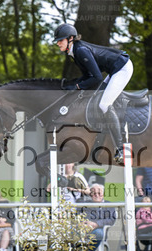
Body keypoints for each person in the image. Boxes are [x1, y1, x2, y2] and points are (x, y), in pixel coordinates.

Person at [53, 23, 133, 164]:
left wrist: (77, 86)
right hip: (113, 70)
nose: (58, 43)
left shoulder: (80, 51)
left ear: (70, 39)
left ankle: (121, 148)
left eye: (61, 40)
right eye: (57, 41)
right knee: (96, 99)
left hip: (122, 68)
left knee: (104, 104)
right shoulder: (74, 51)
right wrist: (73, 85)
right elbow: (87, 75)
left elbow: (96, 77)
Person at [80, 184, 117, 251]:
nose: (97, 195)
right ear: (91, 195)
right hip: (85, 228)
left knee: (98, 233)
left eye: (99, 193)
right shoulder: (86, 204)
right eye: (94, 193)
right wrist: (87, 224)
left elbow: (111, 220)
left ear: (103, 194)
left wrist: (96, 224)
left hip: (99, 229)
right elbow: (85, 216)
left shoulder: (109, 204)